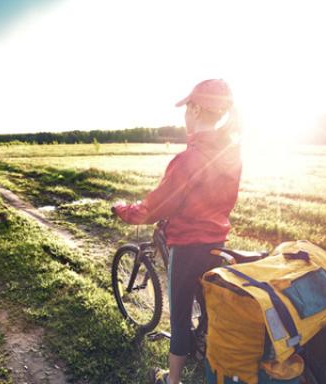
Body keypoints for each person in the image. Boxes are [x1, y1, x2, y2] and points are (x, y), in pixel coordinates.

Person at [112, 79, 243, 384]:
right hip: (216, 240)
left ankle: (171, 380)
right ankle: (211, 355)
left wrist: (122, 210)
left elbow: (152, 209)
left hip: (188, 247)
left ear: (196, 109)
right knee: (210, 304)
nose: (185, 115)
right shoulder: (231, 154)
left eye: (187, 108)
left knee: (180, 315)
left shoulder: (188, 160)